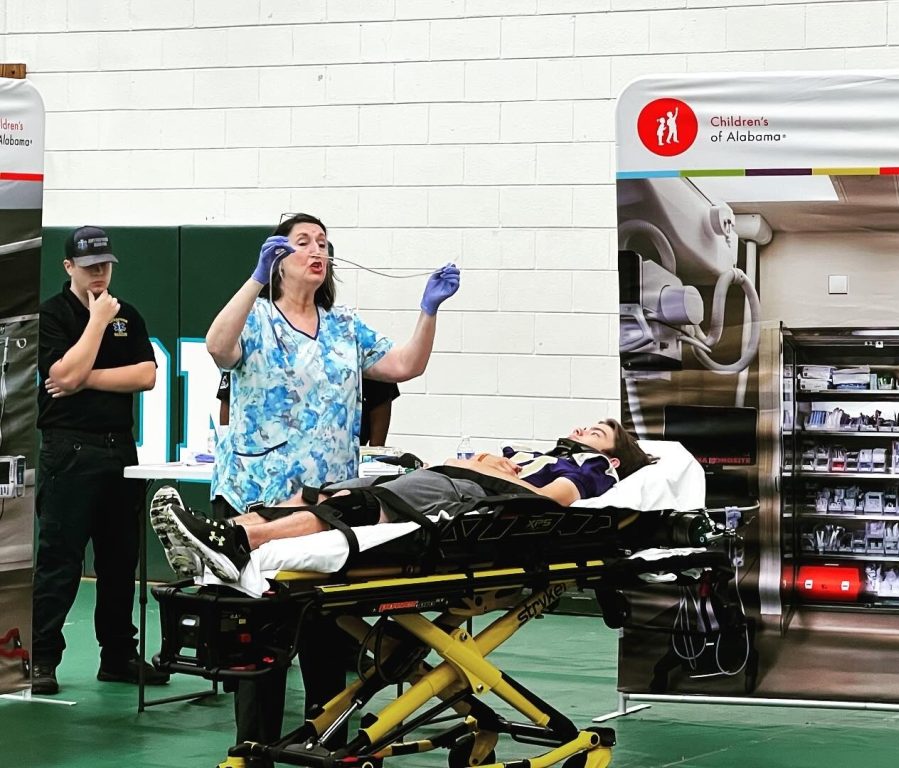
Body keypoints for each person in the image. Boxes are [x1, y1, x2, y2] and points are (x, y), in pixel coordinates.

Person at [203, 212, 457, 744]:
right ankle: (256, 748)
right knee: (263, 642)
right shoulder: (257, 317)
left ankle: (328, 744)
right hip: (258, 499)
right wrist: (253, 281)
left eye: (323, 243)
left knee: (328, 634)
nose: (316, 250)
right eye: (302, 243)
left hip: (325, 507)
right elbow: (218, 348)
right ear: (277, 259)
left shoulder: (345, 328)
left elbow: (405, 366)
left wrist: (428, 312)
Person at [151, 420, 653, 582]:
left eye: (602, 430)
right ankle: (207, 538)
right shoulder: (536, 453)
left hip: (466, 492)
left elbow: (546, 506)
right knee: (323, 495)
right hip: (454, 477)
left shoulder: (589, 469)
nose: (588, 428)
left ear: (614, 452)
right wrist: (489, 458)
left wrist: (487, 471)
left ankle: (237, 539)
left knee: (355, 509)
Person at [31, 226, 169, 695]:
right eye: (90, 268)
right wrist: (95, 323)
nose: (99, 275)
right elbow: (59, 373)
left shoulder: (126, 314)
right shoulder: (51, 316)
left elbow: (146, 375)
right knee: (60, 558)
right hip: (68, 448)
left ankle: (118, 655)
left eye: (105, 266)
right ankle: (41, 657)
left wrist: (82, 379)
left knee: (119, 559)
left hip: (118, 448)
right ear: (68, 267)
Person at [216, 371, 399, 446]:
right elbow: (227, 399)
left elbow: (384, 390)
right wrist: (226, 446)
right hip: (262, 455)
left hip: (335, 464)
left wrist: (375, 453)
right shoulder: (254, 338)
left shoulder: (345, 341)